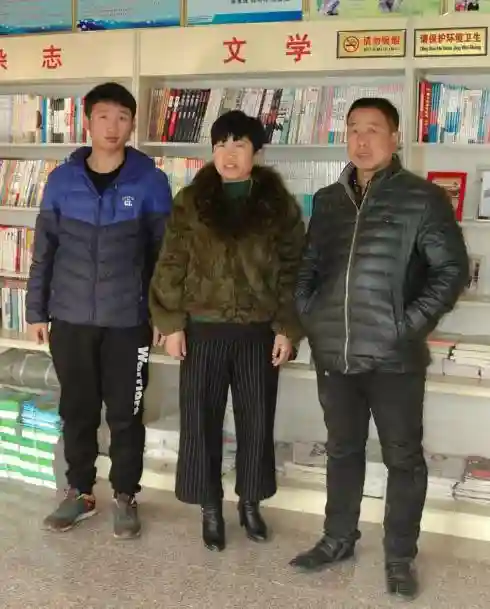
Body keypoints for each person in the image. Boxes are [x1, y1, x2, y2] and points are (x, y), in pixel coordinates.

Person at [290, 97, 469, 599]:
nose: (361, 140)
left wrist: (406, 326)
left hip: (394, 357)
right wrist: (312, 315)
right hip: (335, 354)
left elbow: (451, 269)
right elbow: (308, 267)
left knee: (403, 458)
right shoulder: (328, 201)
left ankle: (399, 556)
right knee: (342, 450)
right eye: (353, 129)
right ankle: (338, 538)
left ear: (394, 138)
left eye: (373, 129)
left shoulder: (422, 198)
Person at [149, 110, 304, 552]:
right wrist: (171, 324)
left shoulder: (278, 205)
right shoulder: (191, 201)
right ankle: (210, 507)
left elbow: (294, 270)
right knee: (200, 420)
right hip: (203, 330)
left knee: (257, 419)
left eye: (239, 145)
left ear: (257, 152)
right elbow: (171, 263)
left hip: (258, 331)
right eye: (220, 145)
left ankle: (250, 503)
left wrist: (287, 328)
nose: (228, 154)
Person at [25, 82, 172, 539]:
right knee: (77, 410)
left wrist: (163, 316)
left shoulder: (150, 181)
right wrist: (35, 311)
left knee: (127, 413)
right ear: (87, 121)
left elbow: (164, 257)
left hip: (128, 322)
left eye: (122, 117)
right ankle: (80, 493)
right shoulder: (61, 181)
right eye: (104, 116)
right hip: (70, 319)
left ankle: (126, 494)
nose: (113, 126)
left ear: (132, 123)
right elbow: (44, 251)